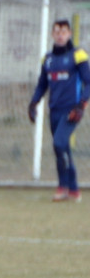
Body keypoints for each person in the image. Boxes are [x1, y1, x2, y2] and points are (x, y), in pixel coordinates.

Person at [28, 18, 90, 203]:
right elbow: (42, 85)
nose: (60, 35)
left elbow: (89, 82)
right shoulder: (47, 59)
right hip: (54, 111)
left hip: (71, 110)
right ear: (52, 35)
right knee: (61, 148)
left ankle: (64, 187)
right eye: (57, 32)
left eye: (63, 32)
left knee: (59, 142)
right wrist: (33, 103)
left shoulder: (78, 55)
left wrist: (81, 105)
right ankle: (73, 190)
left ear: (69, 34)